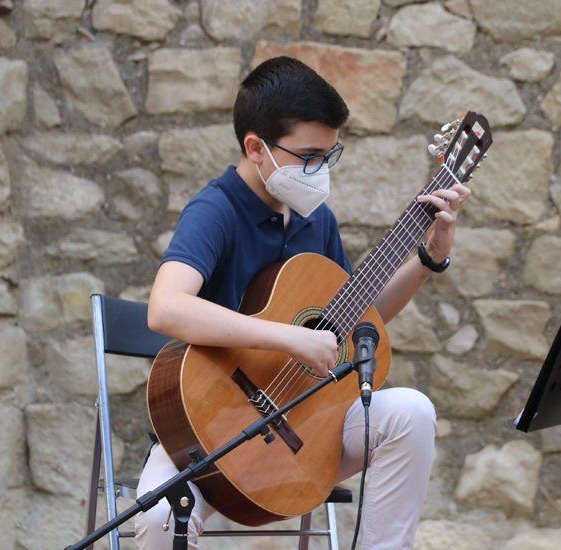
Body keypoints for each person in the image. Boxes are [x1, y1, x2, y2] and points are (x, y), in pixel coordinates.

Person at [134, 56, 471, 549]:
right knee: (160, 519)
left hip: (306, 425)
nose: (320, 171)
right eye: (309, 156)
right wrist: (289, 337)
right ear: (256, 147)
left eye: (329, 157)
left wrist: (428, 259)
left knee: (411, 413)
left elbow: (356, 318)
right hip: (210, 424)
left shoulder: (317, 223)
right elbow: (166, 308)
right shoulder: (216, 211)